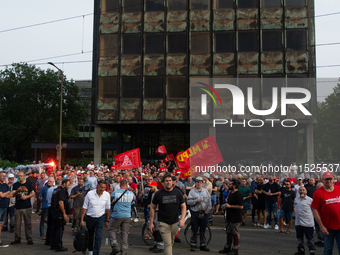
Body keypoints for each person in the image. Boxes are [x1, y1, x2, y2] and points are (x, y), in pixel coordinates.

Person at [149, 173, 186, 255]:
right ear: (163, 182)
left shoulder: (178, 192)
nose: (168, 182)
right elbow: (153, 207)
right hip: (163, 223)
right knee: (168, 243)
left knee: (171, 242)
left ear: (173, 182)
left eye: (170, 180)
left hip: (175, 222)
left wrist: (182, 219)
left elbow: (183, 206)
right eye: (166, 181)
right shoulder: (158, 194)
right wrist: (151, 222)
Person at [311, 172, 340, 255]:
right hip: (327, 227)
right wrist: (322, 227)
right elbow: (315, 210)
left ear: (334, 179)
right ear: (322, 180)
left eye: (330, 179)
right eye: (326, 179)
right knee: (328, 249)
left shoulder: (339, 189)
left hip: (339, 225)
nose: (329, 181)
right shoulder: (318, 193)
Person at [80, 179, 111, 255]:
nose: (102, 189)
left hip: (100, 218)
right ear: (97, 186)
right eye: (101, 187)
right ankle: (90, 250)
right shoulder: (90, 194)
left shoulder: (106, 195)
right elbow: (85, 207)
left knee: (98, 237)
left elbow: (108, 208)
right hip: (90, 218)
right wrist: (81, 220)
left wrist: (107, 220)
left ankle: (96, 253)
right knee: (90, 236)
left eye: (104, 187)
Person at [108, 179, 135, 255]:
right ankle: (124, 250)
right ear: (127, 185)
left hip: (117, 215)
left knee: (112, 230)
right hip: (127, 215)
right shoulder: (131, 193)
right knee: (125, 233)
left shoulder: (115, 193)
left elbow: (111, 197)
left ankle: (115, 246)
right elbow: (134, 198)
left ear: (119, 185)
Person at [219, 179, 244, 255]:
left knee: (235, 233)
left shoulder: (238, 194)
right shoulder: (230, 193)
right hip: (229, 216)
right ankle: (227, 247)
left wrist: (230, 206)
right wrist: (226, 205)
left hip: (235, 217)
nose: (228, 185)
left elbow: (241, 206)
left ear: (234, 186)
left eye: (230, 184)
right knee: (228, 232)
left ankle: (235, 249)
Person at [187, 176, 211, 252]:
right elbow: (188, 202)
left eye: (200, 182)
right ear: (195, 183)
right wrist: (196, 200)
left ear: (202, 183)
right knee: (194, 229)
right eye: (197, 182)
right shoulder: (192, 192)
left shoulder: (205, 191)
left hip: (204, 213)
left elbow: (209, 201)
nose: (199, 184)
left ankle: (203, 245)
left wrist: (208, 210)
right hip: (195, 212)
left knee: (203, 229)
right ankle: (193, 244)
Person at [11, 171, 35, 245]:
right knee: (17, 224)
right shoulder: (15, 185)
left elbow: (33, 193)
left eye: (21, 176)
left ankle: (29, 238)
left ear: (24, 176)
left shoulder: (28, 184)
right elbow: (13, 194)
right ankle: (17, 238)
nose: (20, 177)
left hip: (26, 206)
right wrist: (17, 191)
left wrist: (26, 197)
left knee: (28, 224)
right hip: (18, 207)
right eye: (19, 176)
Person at [294, 186, 316, 255]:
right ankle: (301, 250)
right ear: (298, 192)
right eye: (300, 190)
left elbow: (314, 211)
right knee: (299, 238)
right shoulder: (296, 199)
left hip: (308, 223)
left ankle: (312, 250)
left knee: (309, 239)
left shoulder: (310, 200)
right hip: (298, 222)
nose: (302, 191)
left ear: (306, 191)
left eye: (303, 190)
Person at [50, 179, 70, 252]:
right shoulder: (62, 191)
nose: (68, 186)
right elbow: (61, 202)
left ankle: (53, 245)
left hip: (54, 212)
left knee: (54, 229)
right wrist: (64, 213)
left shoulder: (56, 190)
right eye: (68, 185)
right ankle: (58, 246)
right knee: (59, 230)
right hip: (59, 213)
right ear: (63, 184)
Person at [0, 171, 11, 247]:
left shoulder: (5, 185)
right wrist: (7, 193)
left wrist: (5, 194)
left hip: (5, 207)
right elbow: (1, 195)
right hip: (0, 207)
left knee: (1, 224)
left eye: (5, 176)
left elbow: (10, 195)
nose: (4, 177)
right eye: (2, 176)